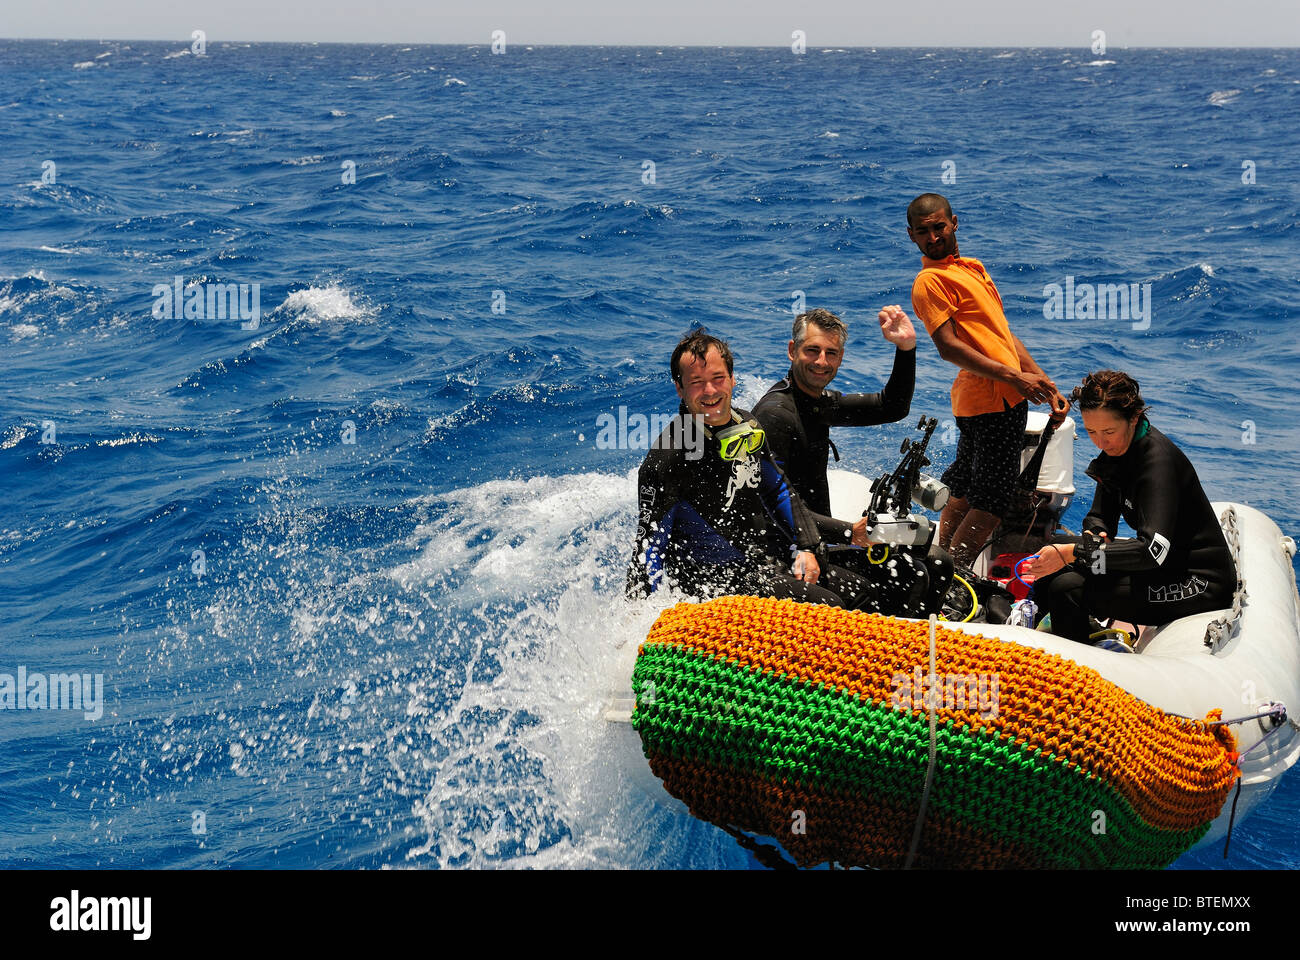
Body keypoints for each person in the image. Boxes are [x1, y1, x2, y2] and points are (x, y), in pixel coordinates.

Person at [625, 328, 874, 610]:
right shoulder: (668, 458)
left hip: (762, 565)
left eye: (718, 378)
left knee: (862, 592)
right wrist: (638, 619)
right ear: (679, 387)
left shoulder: (746, 425)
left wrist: (806, 546)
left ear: (732, 379)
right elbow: (648, 550)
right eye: (696, 382)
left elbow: (778, 489)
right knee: (828, 606)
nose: (709, 391)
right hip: (714, 590)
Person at [751, 306, 952, 617]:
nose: (821, 361)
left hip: (823, 541)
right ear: (793, 351)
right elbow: (770, 507)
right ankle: (881, 656)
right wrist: (848, 532)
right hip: (788, 552)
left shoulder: (820, 403)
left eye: (831, 353)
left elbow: (892, 406)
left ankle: (924, 650)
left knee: (937, 562)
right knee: (902, 580)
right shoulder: (775, 415)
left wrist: (905, 347)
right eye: (812, 350)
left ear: (841, 358)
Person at [907, 192, 1070, 568]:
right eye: (923, 232)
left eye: (939, 227)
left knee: (963, 488)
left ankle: (938, 562)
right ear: (911, 236)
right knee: (992, 502)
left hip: (1004, 398)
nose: (933, 237)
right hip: (988, 402)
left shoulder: (973, 268)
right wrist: (1014, 376)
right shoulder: (929, 282)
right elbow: (948, 348)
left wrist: (1044, 384)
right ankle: (952, 578)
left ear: (954, 223)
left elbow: (1004, 335)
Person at [1021, 370, 1236, 646]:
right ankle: (1044, 632)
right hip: (1161, 568)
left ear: (1133, 418)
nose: (1100, 442)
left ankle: (1078, 675)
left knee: (1068, 588)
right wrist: (1093, 537)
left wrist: (1076, 552)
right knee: (1053, 551)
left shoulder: (1157, 465)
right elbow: (1099, 517)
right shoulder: (1118, 451)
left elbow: (1151, 552)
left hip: (1198, 583)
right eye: (1091, 432)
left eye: (1109, 431)